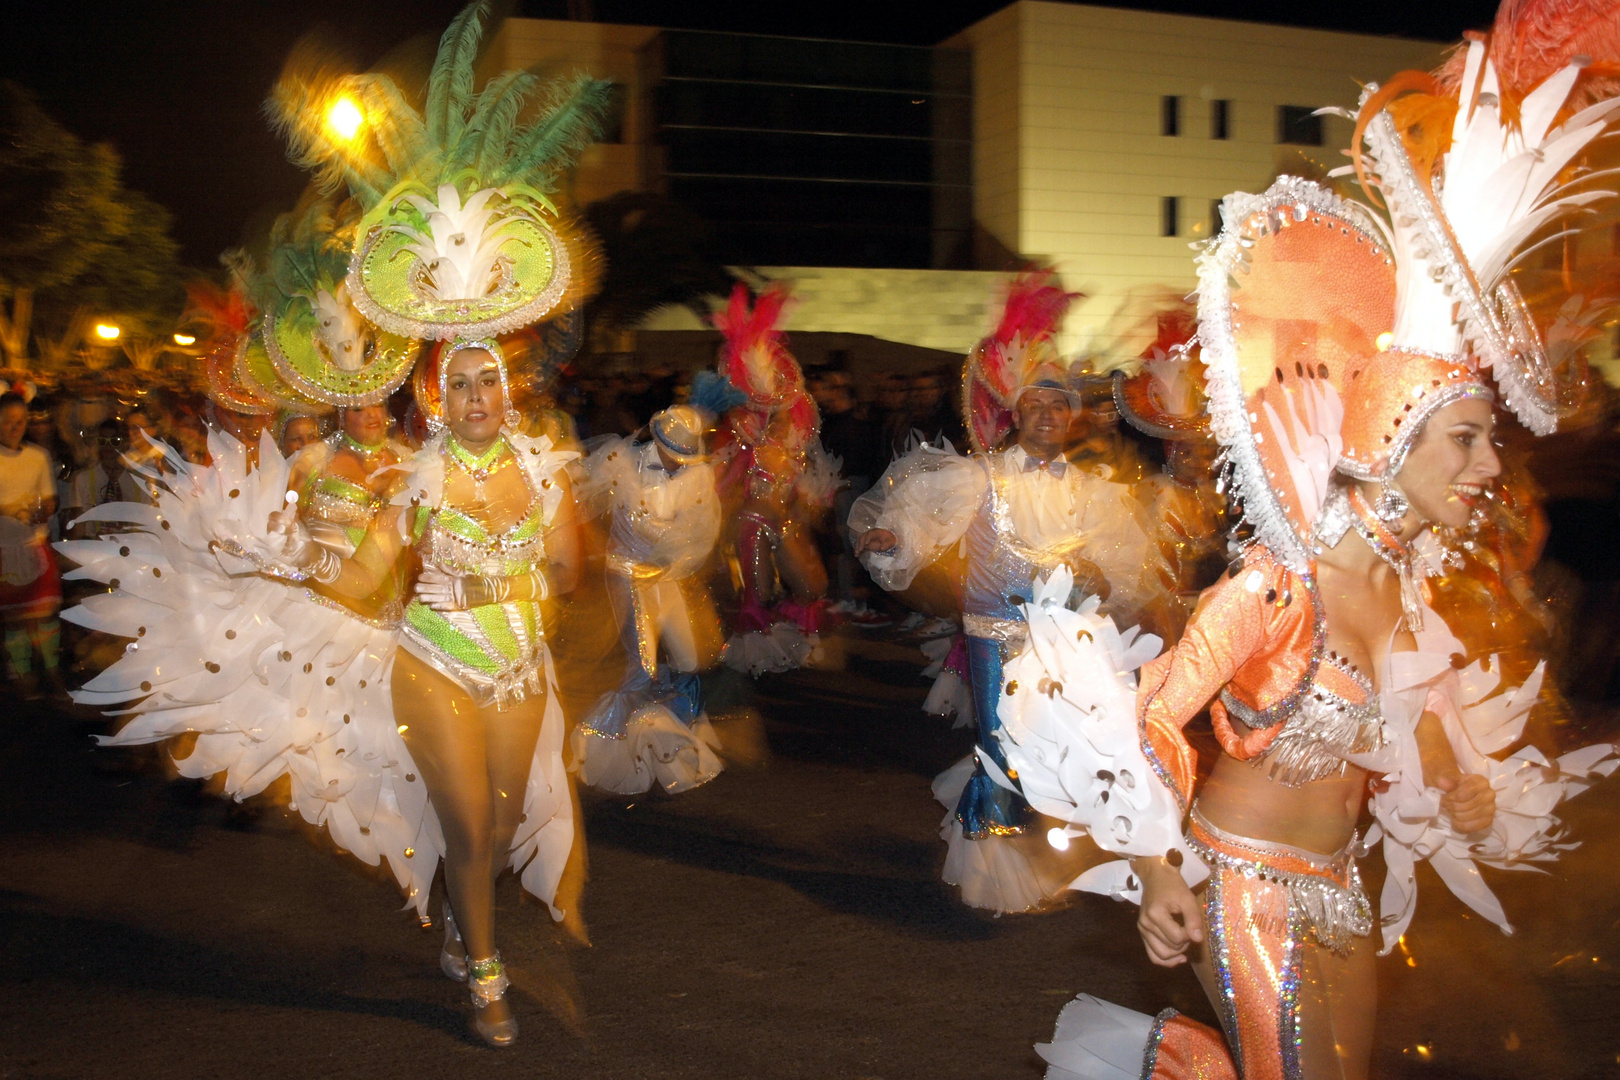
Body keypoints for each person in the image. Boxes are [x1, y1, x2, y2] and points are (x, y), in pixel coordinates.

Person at [1003, 25, 1620, 1071]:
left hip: (1343, 887)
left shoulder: (1414, 597)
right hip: (1240, 877)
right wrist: (1157, 870)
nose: (1484, 468)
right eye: (1465, 439)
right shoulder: (1276, 590)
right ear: (1390, 442)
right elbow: (1151, 716)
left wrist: (1457, 785)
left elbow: (1404, 729)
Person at [849, 271, 1163, 914]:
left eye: (1057, 406)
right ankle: (987, 863)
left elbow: (1126, 560)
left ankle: (1034, 838)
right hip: (993, 633)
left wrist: (1115, 587)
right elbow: (914, 510)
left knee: (1050, 746)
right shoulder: (978, 477)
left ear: (1070, 417)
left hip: (1063, 645)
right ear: (1014, 415)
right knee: (998, 744)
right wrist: (889, 535)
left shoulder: (1091, 490)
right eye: (1034, 407)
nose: (1047, 417)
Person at [572, 397, 729, 794]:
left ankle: (669, 733)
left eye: (684, 455)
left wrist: (676, 568)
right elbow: (577, 493)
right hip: (625, 572)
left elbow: (700, 534)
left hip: (665, 576)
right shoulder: (623, 462)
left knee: (690, 658)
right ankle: (610, 750)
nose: (678, 462)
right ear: (656, 441)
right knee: (641, 664)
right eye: (672, 453)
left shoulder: (697, 478)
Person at [0, 392, 61, 695]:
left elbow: (50, 497)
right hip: (4, 547)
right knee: (14, 616)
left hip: (35, 542)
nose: (16, 427)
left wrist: (44, 508)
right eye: (9, 422)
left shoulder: (38, 456)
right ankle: (22, 674)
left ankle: (52, 671)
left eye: (21, 421)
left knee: (45, 610)